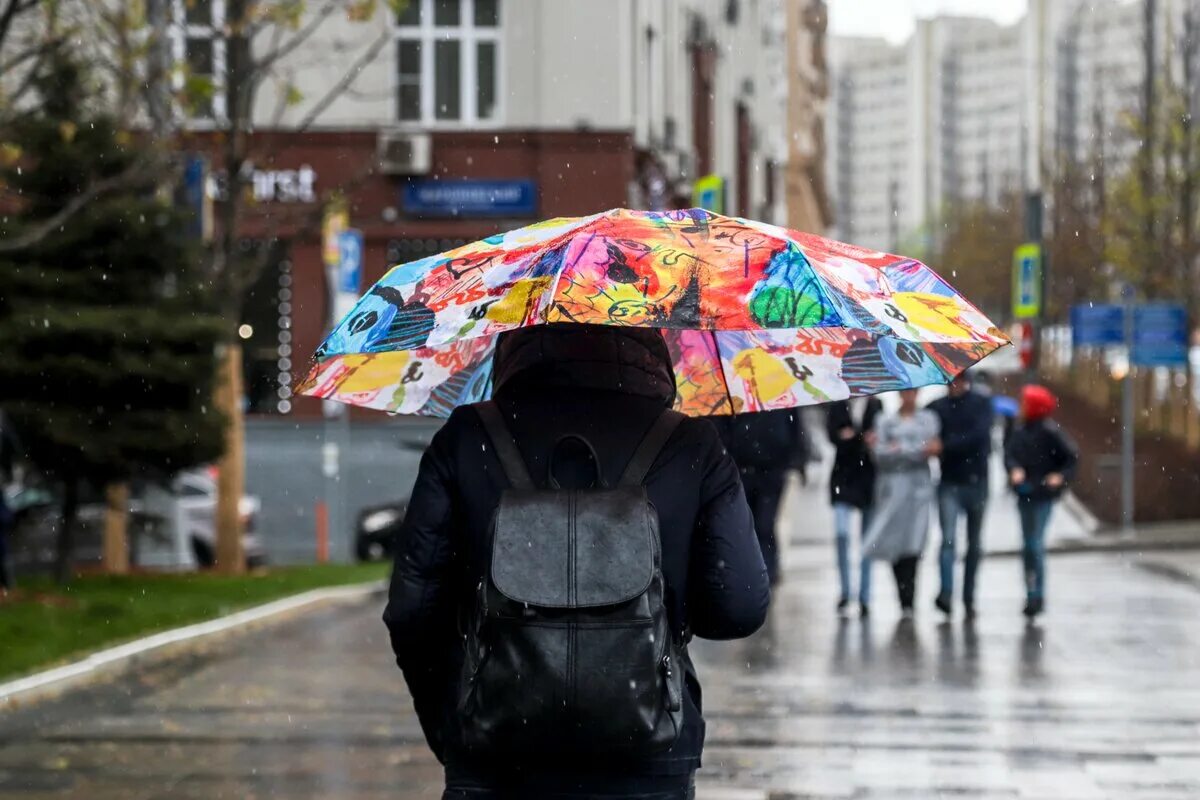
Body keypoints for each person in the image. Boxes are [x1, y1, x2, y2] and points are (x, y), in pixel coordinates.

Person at [383, 324, 770, 799]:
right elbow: (740, 606)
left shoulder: (467, 437)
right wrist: (658, 616)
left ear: (518, 340)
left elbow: (413, 610)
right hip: (648, 753)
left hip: (496, 755)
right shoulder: (690, 444)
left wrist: (453, 722)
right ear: (646, 340)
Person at [862, 390, 941, 617]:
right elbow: (881, 454)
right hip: (891, 489)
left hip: (919, 489)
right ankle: (902, 597)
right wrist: (913, 449)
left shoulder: (929, 419)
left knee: (915, 542)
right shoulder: (884, 420)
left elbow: (931, 449)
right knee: (894, 541)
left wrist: (900, 448)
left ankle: (910, 597)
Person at [1005, 384, 1078, 619]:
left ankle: (1037, 593)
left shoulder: (1050, 433)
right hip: (1025, 493)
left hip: (1043, 495)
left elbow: (1071, 458)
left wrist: (1059, 477)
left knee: (1034, 544)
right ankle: (1030, 592)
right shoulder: (1019, 431)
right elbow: (1010, 455)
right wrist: (1014, 470)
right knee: (1028, 546)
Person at [714, 408, 810, 585]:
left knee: (764, 524)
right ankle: (757, 570)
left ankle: (766, 571)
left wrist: (797, 461)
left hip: (770, 471)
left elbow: (795, 431)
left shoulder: (778, 396)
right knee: (748, 524)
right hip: (745, 469)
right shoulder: (738, 397)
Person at [927, 374, 994, 619]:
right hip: (949, 482)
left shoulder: (981, 404)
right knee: (948, 541)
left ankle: (969, 596)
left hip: (977, 481)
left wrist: (946, 446)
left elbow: (978, 438)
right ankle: (946, 593)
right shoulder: (937, 407)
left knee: (974, 545)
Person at [826, 397, 882, 617]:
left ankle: (864, 595)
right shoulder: (838, 405)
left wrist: (852, 437)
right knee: (842, 535)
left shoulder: (876, 404)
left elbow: (875, 438)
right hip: (843, 479)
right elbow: (834, 437)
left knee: (867, 541)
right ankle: (845, 590)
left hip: (867, 480)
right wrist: (859, 438)